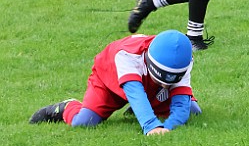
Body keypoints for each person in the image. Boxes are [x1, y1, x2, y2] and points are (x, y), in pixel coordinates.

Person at [29, 30, 200, 135]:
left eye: (170, 81)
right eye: (161, 78)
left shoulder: (183, 61)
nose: (165, 86)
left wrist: (168, 127)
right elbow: (135, 93)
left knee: (192, 111)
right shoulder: (127, 55)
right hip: (109, 83)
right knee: (84, 122)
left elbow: (180, 106)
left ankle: (143, 107)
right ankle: (66, 107)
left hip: (147, 88)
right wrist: (151, 126)